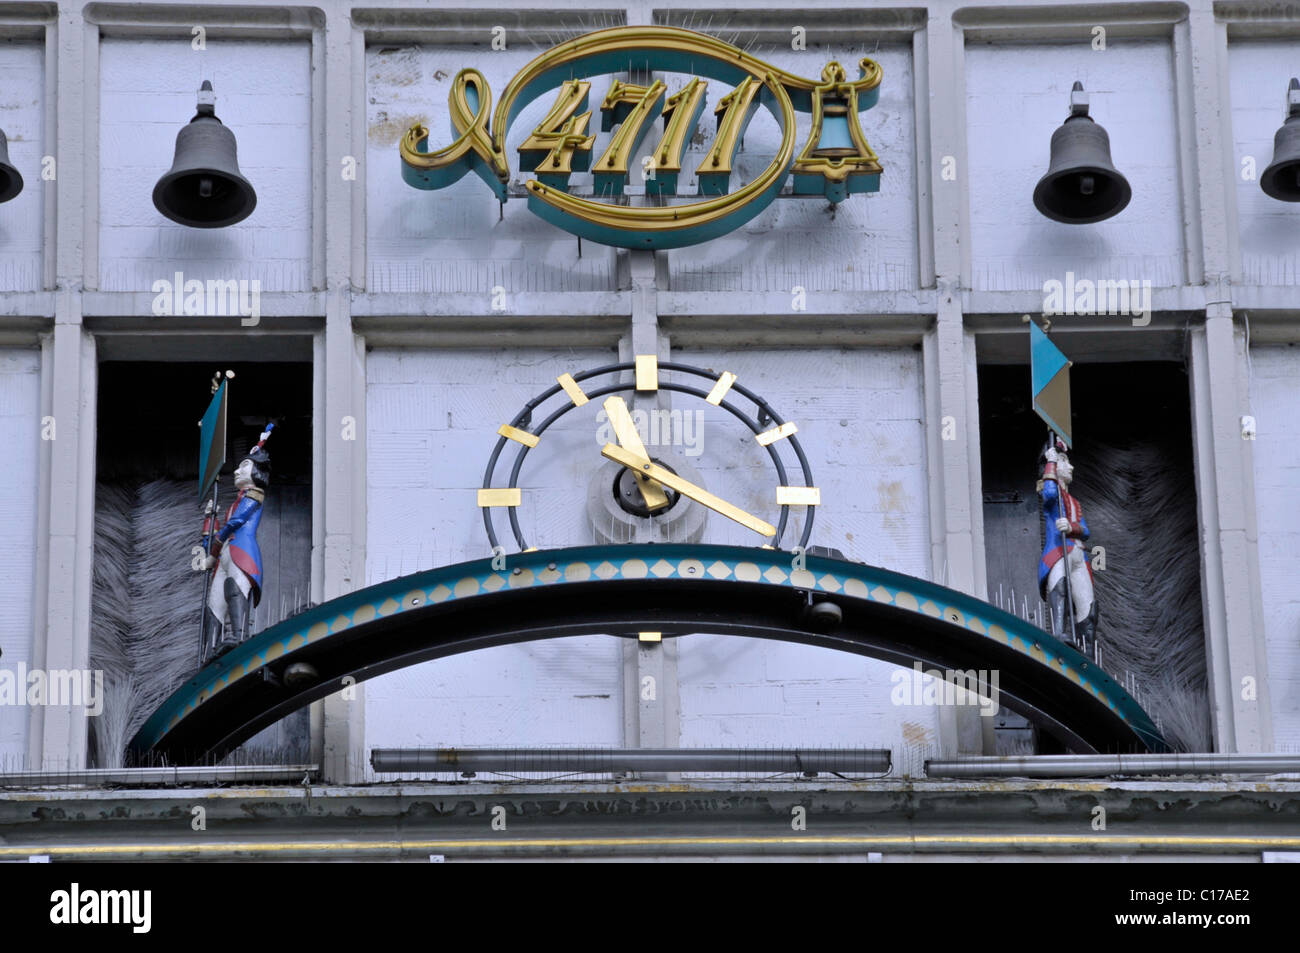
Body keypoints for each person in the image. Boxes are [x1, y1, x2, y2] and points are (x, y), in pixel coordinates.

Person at [197, 426, 272, 662]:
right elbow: (219, 534)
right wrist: (211, 519)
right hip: (226, 556)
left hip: (241, 552)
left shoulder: (254, 495)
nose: (238, 471)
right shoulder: (234, 502)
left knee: (234, 589)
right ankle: (210, 649)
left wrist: (218, 541)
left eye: (244, 467)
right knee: (214, 603)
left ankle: (239, 636)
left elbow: (238, 521)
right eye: (239, 467)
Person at [1036, 436, 1097, 652]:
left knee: (1088, 606)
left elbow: (1086, 531)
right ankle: (1059, 634)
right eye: (1064, 461)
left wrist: (1071, 527)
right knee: (1059, 590)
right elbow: (1050, 494)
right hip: (1058, 552)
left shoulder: (1074, 502)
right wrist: (1051, 460)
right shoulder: (1052, 494)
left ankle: (1088, 650)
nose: (1070, 466)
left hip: (1078, 555)